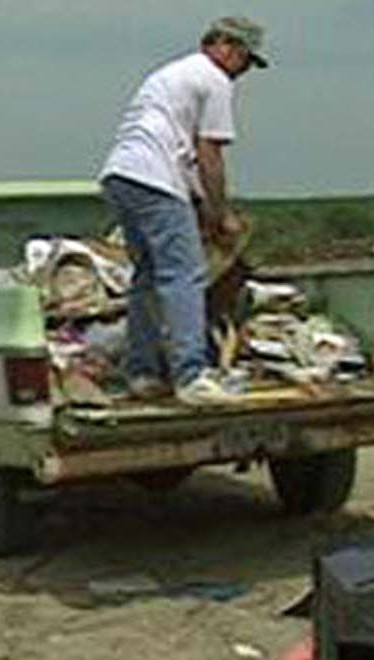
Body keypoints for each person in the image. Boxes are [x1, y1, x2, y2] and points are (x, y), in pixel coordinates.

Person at [99, 16, 267, 405]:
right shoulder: (214, 79)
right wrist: (221, 214)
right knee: (185, 274)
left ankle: (141, 372)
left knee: (147, 277)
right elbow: (209, 155)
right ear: (227, 46)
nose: (243, 71)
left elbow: (184, 156)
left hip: (121, 175)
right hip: (156, 177)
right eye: (245, 60)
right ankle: (191, 375)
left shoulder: (171, 75)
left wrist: (205, 208)